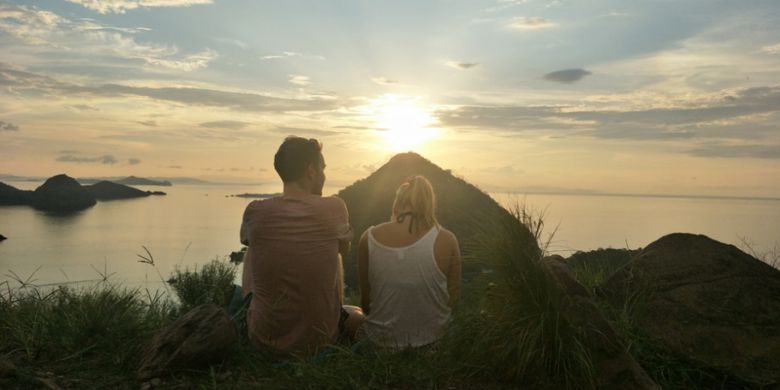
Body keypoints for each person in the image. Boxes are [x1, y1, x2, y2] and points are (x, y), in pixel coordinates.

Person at [239, 136, 354, 355]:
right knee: (337, 253)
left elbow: (250, 243)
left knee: (253, 247)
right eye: (323, 169)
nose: (324, 175)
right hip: (320, 338)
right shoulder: (335, 208)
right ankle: (334, 313)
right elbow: (344, 252)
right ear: (311, 170)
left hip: (262, 338)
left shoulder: (255, 211)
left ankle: (247, 310)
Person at [355, 175, 461, 349]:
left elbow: (366, 304)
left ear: (397, 203)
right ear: (429, 204)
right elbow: (454, 299)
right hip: (434, 342)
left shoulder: (368, 238)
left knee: (352, 315)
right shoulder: (447, 240)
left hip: (380, 343)